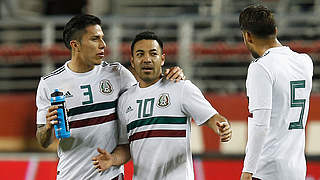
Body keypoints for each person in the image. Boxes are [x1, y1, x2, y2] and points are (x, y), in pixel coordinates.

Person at [36, 15, 184, 180]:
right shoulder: (50, 83)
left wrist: (171, 78)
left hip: (111, 176)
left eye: (102, 38)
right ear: (75, 45)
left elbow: (148, 94)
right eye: (95, 39)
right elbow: (43, 141)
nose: (103, 45)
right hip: (70, 175)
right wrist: (48, 127)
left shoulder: (117, 74)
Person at [92, 31, 232, 179]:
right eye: (140, 54)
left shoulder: (180, 87)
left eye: (153, 54)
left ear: (162, 59)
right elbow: (126, 146)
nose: (147, 59)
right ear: (132, 61)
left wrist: (223, 127)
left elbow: (213, 118)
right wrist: (113, 159)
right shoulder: (125, 100)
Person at [239, 5, 313, 180]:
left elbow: (260, 124)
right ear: (275, 30)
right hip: (297, 169)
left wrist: (247, 171)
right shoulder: (305, 61)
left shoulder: (261, 67)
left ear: (247, 36)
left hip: (267, 169)